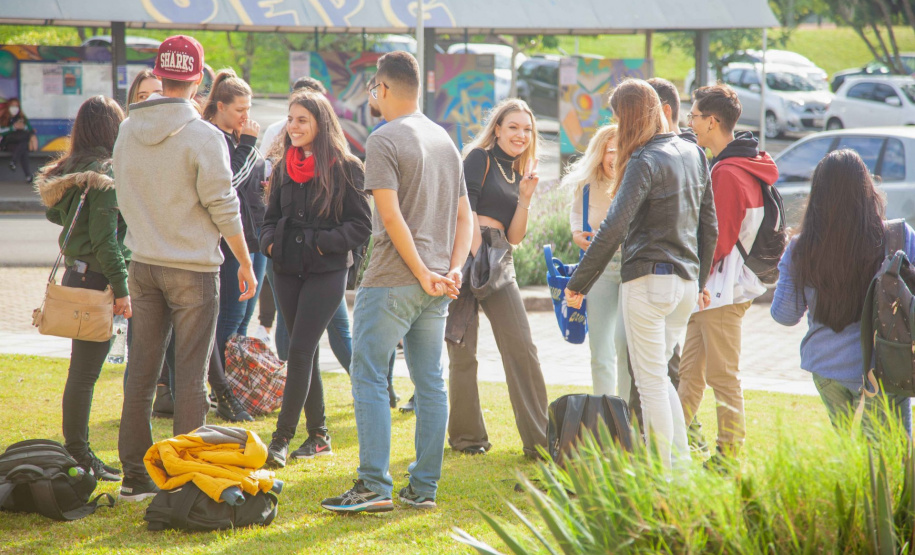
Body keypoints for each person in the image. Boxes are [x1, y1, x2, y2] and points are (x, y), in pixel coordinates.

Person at [321, 51, 472, 513]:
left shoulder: (384, 138)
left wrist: (426, 271)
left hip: (392, 279)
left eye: (372, 89)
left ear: (383, 89)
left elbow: (389, 216)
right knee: (430, 383)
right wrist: (452, 269)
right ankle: (423, 489)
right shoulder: (444, 139)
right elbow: (466, 219)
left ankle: (373, 487)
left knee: (367, 376)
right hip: (437, 284)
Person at [113, 35, 257, 502]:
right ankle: (184, 478)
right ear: (198, 82)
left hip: (144, 261)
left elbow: (122, 191)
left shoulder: (127, 128)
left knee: (141, 372)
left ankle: (134, 476)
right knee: (190, 377)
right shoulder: (204, 135)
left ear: (160, 75)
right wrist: (244, 259)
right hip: (193, 268)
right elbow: (223, 203)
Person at [565, 79, 718, 471]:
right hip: (684, 284)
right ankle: (680, 471)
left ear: (630, 116)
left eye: (617, 117)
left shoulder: (643, 159)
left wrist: (577, 283)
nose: (615, 126)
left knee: (649, 384)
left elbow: (613, 228)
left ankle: (664, 477)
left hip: (648, 282)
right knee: (660, 380)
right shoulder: (693, 152)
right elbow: (709, 228)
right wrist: (698, 284)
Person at [260, 90, 372, 467]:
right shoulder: (281, 169)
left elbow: (361, 225)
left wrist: (322, 244)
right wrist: (269, 244)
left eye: (301, 120)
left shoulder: (346, 167)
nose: (293, 127)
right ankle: (319, 435)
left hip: (326, 271)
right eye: (290, 119)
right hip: (286, 270)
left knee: (300, 350)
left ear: (320, 124)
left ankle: (280, 439)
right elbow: (269, 219)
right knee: (303, 351)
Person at [772, 149, 915, 435]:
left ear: (818, 195)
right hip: (886, 366)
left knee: (850, 457)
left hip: (827, 367)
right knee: (890, 460)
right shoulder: (898, 237)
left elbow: (785, 315)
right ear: (868, 190)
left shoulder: (801, 247)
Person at [677, 84, 779, 468]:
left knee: (722, 377)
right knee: (690, 376)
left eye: (694, 116)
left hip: (720, 291)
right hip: (718, 289)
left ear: (713, 121)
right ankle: (667, 451)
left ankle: (729, 457)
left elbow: (717, 239)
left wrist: (695, 278)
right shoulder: (748, 163)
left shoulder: (727, 172)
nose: (690, 122)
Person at [445, 98, 549, 458]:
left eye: (527, 129)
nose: (521, 135)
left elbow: (516, 236)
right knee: (462, 350)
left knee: (522, 347)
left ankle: (540, 441)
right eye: (513, 127)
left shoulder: (520, 172)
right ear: (498, 129)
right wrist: (476, 257)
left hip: (499, 254)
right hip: (469, 251)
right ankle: (466, 438)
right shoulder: (479, 158)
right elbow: (465, 209)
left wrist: (525, 197)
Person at [35, 95, 131, 483]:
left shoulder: (71, 171)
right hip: (98, 281)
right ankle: (79, 453)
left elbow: (52, 211)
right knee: (85, 374)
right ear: (112, 129)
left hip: (77, 276)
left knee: (81, 371)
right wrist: (122, 289)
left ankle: (80, 450)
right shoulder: (105, 174)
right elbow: (106, 241)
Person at [201, 68, 267, 423]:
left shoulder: (235, 136)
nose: (247, 116)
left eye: (249, 108)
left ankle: (233, 385)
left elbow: (250, 186)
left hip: (253, 238)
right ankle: (220, 389)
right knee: (230, 315)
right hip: (227, 243)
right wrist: (249, 145)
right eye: (241, 109)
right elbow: (228, 184)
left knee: (242, 319)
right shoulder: (213, 136)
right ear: (221, 106)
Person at [563, 124, 624, 397]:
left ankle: (627, 412)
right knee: (600, 349)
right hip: (598, 268)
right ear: (599, 153)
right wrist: (577, 234)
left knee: (625, 345)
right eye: (611, 150)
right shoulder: (587, 183)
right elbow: (577, 214)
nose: (616, 157)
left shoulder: (635, 179)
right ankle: (605, 409)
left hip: (632, 267)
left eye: (622, 150)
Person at [1, 98, 39, 182]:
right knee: (26, 137)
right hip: (7, 143)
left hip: (18, 145)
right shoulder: (3, 117)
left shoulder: (22, 118)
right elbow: (1, 131)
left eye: (16, 106)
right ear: (8, 107)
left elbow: (29, 128)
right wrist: (13, 127)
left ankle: (27, 175)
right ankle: (24, 172)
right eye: (12, 106)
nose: (14, 108)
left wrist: (23, 127)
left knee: (23, 147)